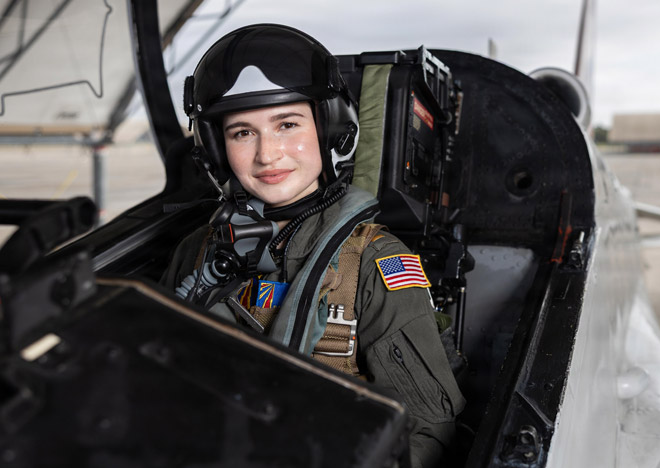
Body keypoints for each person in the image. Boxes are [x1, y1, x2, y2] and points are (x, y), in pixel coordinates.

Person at [162, 24, 465, 468]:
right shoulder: (200, 249)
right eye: (242, 132)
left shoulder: (374, 261)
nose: (268, 154)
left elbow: (425, 429)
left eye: (287, 125)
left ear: (332, 129)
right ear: (216, 149)